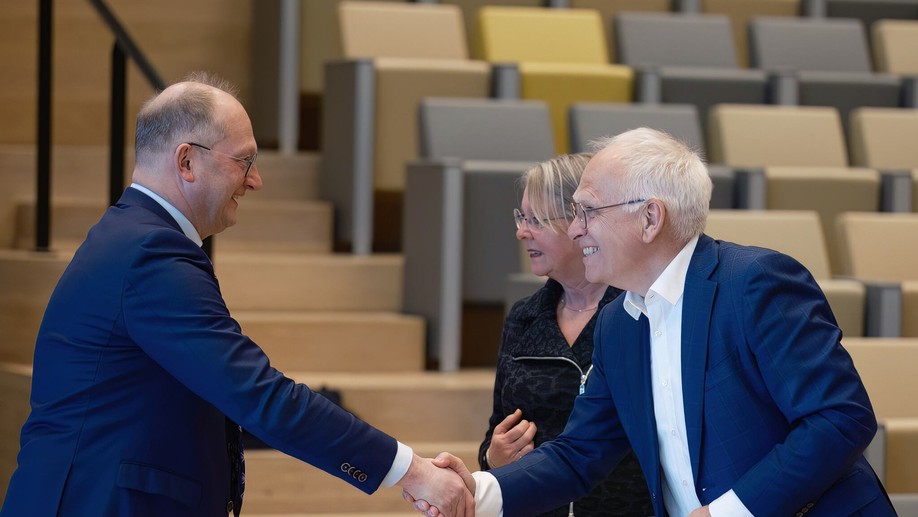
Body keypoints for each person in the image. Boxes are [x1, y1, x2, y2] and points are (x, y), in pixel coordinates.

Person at [0, 72, 472, 517]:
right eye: (243, 161)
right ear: (186, 161)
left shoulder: (135, 236)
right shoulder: (150, 252)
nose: (255, 180)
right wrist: (411, 470)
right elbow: (258, 394)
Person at [413, 127, 895, 517]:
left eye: (587, 211)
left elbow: (839, 418)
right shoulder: (618, 325)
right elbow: (578, 454)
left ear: (649, 219)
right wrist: (477, 491)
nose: (575, 227)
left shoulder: (755, 283)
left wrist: (729, 513)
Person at [481, 154, 651, 516]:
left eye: (537, 220)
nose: (521, 231)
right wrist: (493, 459)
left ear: (582, 221)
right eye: (520, 217)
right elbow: (496, 431)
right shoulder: (524, 317)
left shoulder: (639, 311)